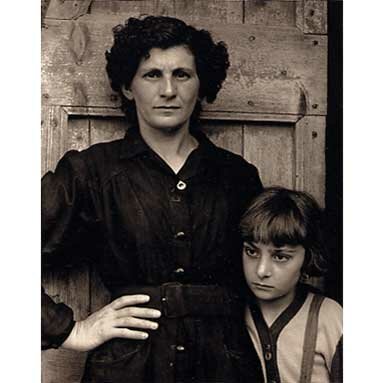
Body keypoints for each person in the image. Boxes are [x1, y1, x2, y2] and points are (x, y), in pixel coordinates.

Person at [42, 15, 264, 383]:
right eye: (151, 75)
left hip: (225, 368)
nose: (168, 90)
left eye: (182, 74)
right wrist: (70, 330)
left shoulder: (238, 177)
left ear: (200, 83)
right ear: (128, 87)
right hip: (127, 368)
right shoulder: (91, 172)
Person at [239, 187, 342, 383]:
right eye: (251, 252)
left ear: (308, 257)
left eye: (280, 256)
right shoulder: (232, 312)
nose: (261, 270)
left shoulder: (329, 317)